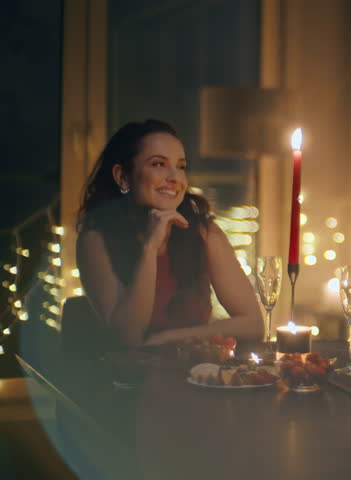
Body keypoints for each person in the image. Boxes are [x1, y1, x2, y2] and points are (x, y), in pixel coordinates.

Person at [76, 119, 263, 348]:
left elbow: (254, 325)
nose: (175, 178)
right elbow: (128, 337)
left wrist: (169, 339)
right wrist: (150, 249)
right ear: (123, 177)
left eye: (181, 166)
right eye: (158, 164)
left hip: (197, 376)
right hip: (126, 380)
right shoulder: (96, 238)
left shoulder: (203, 233)